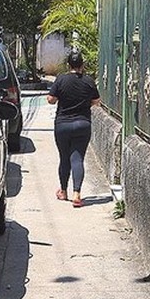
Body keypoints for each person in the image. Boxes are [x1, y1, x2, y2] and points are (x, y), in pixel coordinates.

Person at [47, 50, 100, 208]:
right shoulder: (89, 81)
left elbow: (51, 99)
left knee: (64, 158)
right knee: (77, 158)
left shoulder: (61, 79)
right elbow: (96, 101)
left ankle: (63, 191)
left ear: (68, 65)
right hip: (83, 124)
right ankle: (77, 194)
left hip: (62, 124)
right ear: (82, 65)